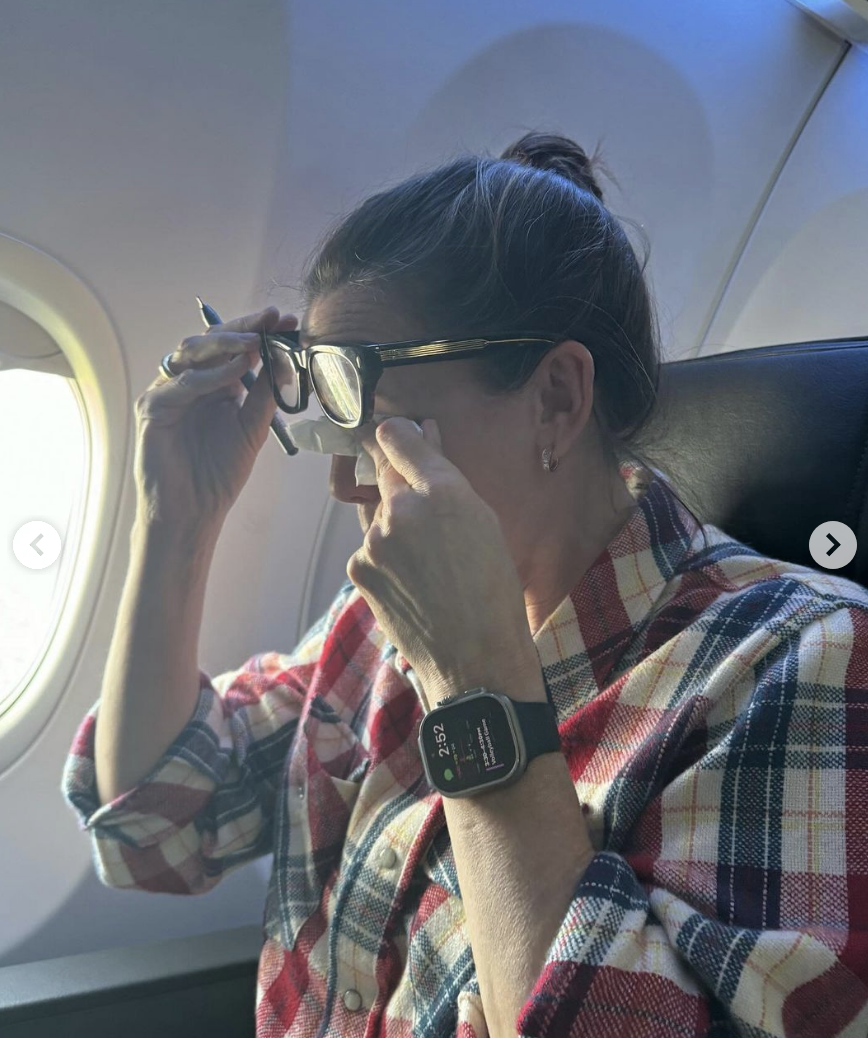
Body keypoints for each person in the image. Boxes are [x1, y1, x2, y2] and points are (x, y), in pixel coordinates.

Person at [62, 131, 868, 1037]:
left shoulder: (801, 661)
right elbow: (163, 825)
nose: (346, 482)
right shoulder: (375, 624)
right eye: (331, 418)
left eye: (380, 417)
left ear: (557, 399)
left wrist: (472, 679)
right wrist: (175, 521)